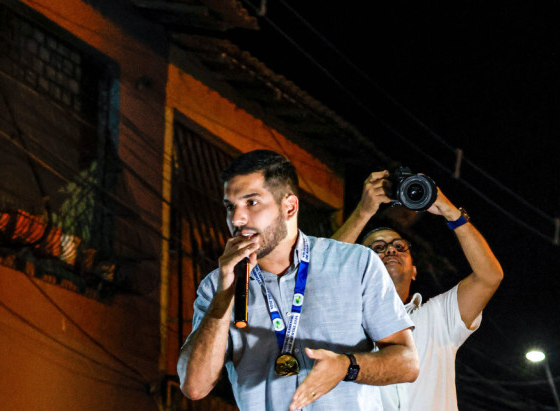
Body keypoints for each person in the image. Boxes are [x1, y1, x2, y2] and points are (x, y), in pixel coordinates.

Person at [177, 150, 419, 411]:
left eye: (251, 203)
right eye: (230, 207)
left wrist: (346, 366)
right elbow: (194, 386)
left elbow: (407, 362)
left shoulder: (355, 263)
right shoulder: (217, 286)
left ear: (289, 206)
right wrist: (225, 292)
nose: (237, 219)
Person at [331, 170, 504, 411]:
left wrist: (449, 210)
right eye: (378, 248)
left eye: (399, 246)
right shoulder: (343, 322)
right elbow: (321, 273)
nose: (390, 250)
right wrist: (364, 211)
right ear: (360, 269)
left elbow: (489, 276)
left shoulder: (439, 317)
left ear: (414, 270)